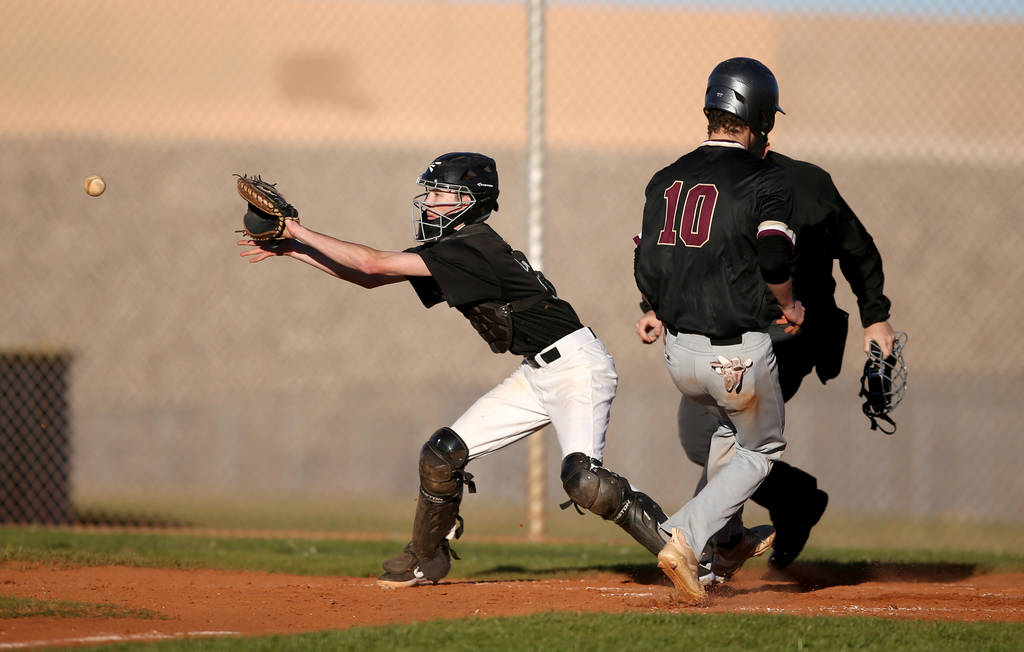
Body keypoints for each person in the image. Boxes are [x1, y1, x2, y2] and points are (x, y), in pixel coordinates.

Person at [237, 152, 670, 589]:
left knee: (584, 480)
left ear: (470, 200)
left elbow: (370, 262)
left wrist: (297, 229)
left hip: (578, 368)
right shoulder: (455, 250)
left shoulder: (475, 247)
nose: (428, 201)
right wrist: (292, 248)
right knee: (441, 456)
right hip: (537, 374)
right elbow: (366, 279)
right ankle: (426, 559)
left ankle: (687, 551)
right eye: (430, 191)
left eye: (440, 192)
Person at [636, 132, 896, 579]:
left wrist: (876, 316)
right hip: (733, 329)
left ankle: (705, 552)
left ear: (759, 131)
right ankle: (788, 503)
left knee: (737, 439)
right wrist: (660, 307)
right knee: (700, 435)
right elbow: (696, 258)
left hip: (792, 332)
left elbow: (857, 248)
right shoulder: (722, 182)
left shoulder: (806, 183)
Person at [633, 57, 802, 604]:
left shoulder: (665, 178)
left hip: (678, 355)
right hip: (736, 355)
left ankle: (722, 544)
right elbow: (775, 257)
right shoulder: (765, 179)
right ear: (757, 117)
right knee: (763, 446)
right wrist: (790, 304)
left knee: (729, 436)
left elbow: (648, 261)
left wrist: (653, 307)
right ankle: (683, 535)